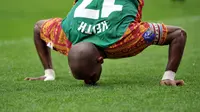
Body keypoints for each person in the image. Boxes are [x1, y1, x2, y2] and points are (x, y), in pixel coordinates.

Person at [25, 0, 186, 86]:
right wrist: (49, 74)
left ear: (99, 60)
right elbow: (39, 28)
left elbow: (178, 34)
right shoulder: (64, 35)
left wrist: (168, 77)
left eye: (89, 77)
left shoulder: (125, 37)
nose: (88, 81)